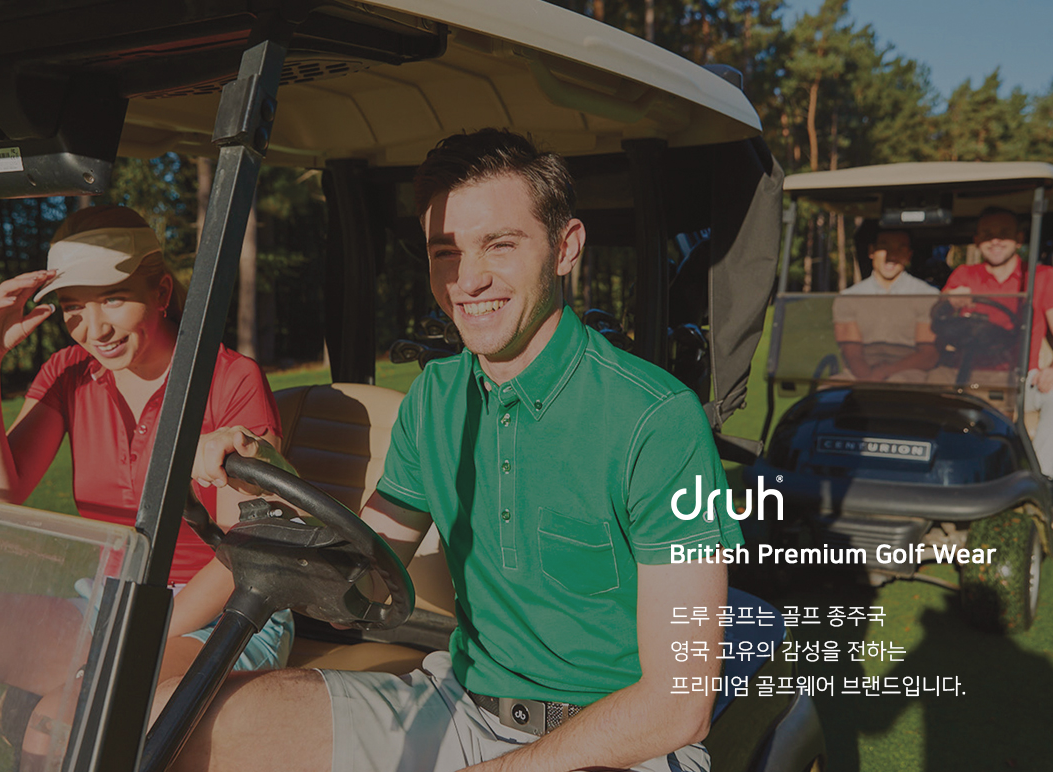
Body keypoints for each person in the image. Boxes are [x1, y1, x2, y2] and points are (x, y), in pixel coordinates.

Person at [175, 129, 743, 772]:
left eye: (500, 245)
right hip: (462, 704)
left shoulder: (658, 420)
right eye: (445, 252)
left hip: (619, 742)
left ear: (565, 247)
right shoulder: (436, 396)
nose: (468, 280)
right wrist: (272, 478)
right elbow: (363, 573)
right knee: (186, 722)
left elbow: (677, 704)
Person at [0, 206, 293, 771]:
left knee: (59, 724)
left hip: (226, 615)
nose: (94, 328)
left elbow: (246, 552)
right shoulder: (69, 371)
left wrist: (132, 636)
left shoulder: (229, 379)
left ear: (161, 291)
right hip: (113, 602)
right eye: (74, 308)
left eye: (113, 299)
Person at [942, 208, 1053, 473]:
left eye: (1004, 233)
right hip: (968, 378)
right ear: (977, 240)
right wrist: (949, 302)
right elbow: (938, 315)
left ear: (1019, 238)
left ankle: (1041, 478)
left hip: (1022, 380)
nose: (995, 240)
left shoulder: (1042, 276)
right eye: (987, 234)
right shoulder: (964, 275)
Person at [832, 229, 939, 382]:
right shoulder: (848, 297)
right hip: (860, 373)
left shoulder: (927, 296)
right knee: (826, 392)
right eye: (884, 247)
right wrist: (867, 378)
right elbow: (852, 353)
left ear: (908, 255)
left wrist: (884, 372)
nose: (892, 256)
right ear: (871, 251)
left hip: (910, 371)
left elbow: (928, 355)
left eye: (900, 249)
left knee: (897, 385)